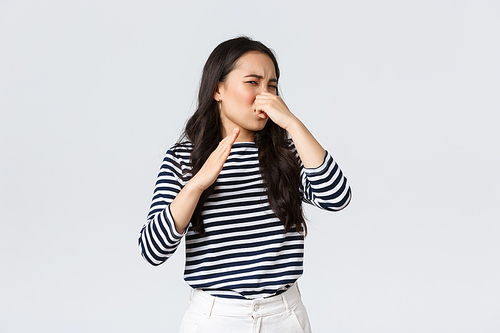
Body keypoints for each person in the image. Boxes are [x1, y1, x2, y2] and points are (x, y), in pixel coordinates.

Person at [138, 36, 351, 333]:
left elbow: (337, 196)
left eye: (272, 86)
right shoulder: (184, 158)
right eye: (253, 82)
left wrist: (293, 123)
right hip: (215, 320)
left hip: (285, 316)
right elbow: (152, 249)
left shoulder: (286, 153)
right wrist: (196, 185)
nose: (265, 97)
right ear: (217, 89)